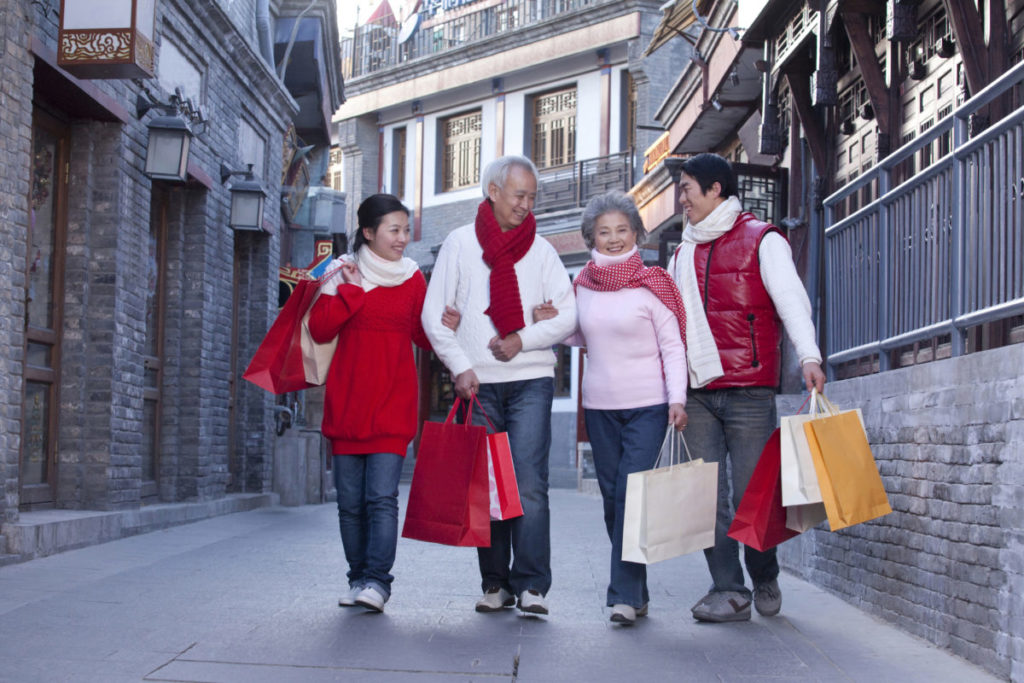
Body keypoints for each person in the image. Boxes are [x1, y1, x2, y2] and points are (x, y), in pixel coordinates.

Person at [666, 153, 826, 623]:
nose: (682, 198)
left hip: (749, 389)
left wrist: (809, 355)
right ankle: (728, 589)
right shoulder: (681, 252)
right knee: (705, 497)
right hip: (698, 390)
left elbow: (792, 302)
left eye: (688, 188)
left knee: (753, 494)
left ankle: (764, 573)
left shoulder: (763, 240)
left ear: (716, 189)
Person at [421, 155, 577, 617]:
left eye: (532, 197)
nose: (526, 205)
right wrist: (458, 365)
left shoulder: (543, 251)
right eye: (518, 195)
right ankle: (495, 583)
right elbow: (435, 316)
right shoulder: (460, 243)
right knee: (487, 486)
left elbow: (569, 315)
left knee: (528, 484)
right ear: (493, 192)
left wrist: (522, 339)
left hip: (531, 379)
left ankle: (531, 585)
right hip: (478, 385)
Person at [558, 191, 689, 625]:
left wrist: (677, 399)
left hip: (648, 407)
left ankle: (623, 596)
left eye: (621, 230)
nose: (613, 239)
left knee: (632, 496)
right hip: (599, 407)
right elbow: (579, 337)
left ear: (636, 231)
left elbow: (673, 348)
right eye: (604, 232)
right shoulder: (582, 285)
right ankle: (638, 588)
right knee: (613, 499)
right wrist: (552, 321)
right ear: (591, 236)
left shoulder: (655, 282)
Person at [307, 193, 435, 613]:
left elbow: (421, 335)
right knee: (349, 503)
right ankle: (358, 577)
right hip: (347, 403)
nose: (402, 239)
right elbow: (322, 329)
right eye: (393, 230)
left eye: (405, 230)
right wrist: (350, 292)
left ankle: (379, 583)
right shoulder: (342, 272)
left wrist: (443, 323)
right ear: (368, 232)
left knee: (381, 497)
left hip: (394, 402)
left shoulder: (414, 277)